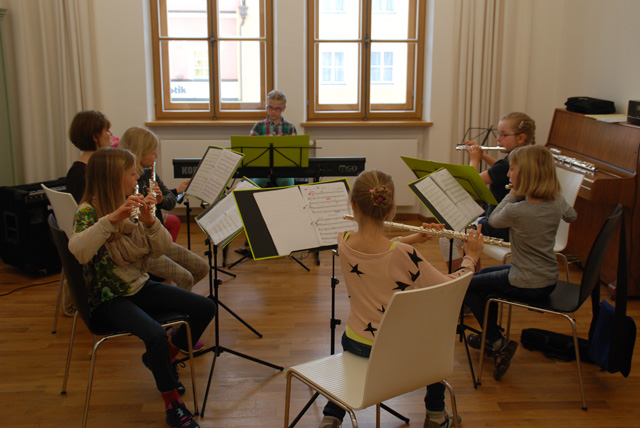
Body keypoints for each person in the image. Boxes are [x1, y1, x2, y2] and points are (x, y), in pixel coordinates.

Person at [319, 170, 484, 428]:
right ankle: (437, 417)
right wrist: (471, 257)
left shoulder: (344, 240)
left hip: (355, 342)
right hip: (394, 352)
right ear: (390, 210)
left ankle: (332, 415)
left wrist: (413, 238)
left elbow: (380, 254)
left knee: (350, 364)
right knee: (434, 342)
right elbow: (449, 286)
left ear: (353, 206)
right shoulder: (404, 254)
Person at [68, 147, 215, 428]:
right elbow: (79, 251)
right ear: (114, 177)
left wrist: (150, 222)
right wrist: (111, 220)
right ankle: (173, 405)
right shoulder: (88, 211)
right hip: (108, 299)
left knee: (204, 307)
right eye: (133, 173)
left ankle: (161, 359)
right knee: (154, 334)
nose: (138, 176)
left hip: (139, 285)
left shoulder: (131, 202)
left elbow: (159, 248)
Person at [464, 145, 577, 381]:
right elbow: (571, 215)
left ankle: (496, 342)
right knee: (484, 282)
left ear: (525, 176)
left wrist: (514, 194)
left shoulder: (519, 211)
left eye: (512, 170)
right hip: (545, 277)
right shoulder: (555, 200)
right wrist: (554, 197)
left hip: (526, 282)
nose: (508, 175)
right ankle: (490, 337)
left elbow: (494, 219)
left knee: (469, 286)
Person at [440, 112, 535, 271]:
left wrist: (474, 160)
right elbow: (499, 167)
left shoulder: (510, 162)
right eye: (498, 133)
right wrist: (483, 155)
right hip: (514, 223)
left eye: (504, 135)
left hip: (501, 226)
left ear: (521, 138)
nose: (498, 139)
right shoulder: (527, 156)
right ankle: (472, 275)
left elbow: (472, 183)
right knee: (459, 232)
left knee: (446, 237)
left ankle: (463, 281)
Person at [118, 126, 208, 295]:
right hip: (140, 247)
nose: (156, 156)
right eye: (152, 153)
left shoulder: (149, 173)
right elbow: (127, 222)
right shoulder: (123, 180)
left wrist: (160, 200)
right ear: (139, 153)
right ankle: (175, 314)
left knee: (202, 268)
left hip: (157, 239)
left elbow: (169, 201)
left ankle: (173, 301)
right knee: (185, 278)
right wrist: (141, 207)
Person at [249, 89, 298, 188]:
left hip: (283, 170)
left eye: (277, 108)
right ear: (266, 106)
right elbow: (250, 151)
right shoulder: (258, 126)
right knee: (257, 184)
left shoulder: (289, 127)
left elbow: (295, 153)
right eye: (270, 107)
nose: (273, 111)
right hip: (262, 170)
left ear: (283, 108)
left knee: (287, 184)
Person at [66, 110, 115, 203]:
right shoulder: (79, 173)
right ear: (95, 137)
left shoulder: (97, 166)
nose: (111, 134)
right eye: (107, 131)